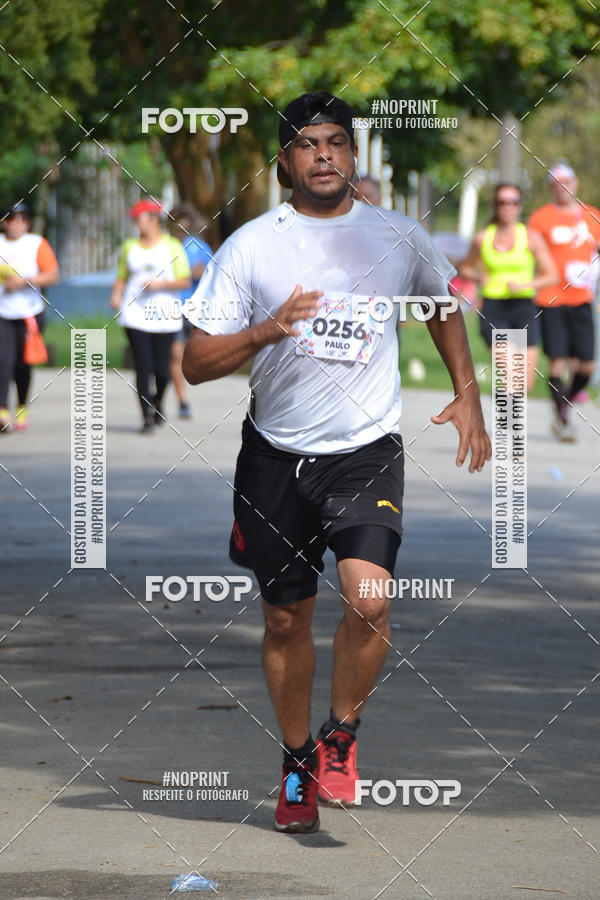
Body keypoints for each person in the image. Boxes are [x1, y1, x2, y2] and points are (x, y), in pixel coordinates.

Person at [182, 91, 491, 834]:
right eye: (307, 145)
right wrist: (266, 330)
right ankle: (295, 768)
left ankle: (340, 736)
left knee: (370, 599)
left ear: (353, 155)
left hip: (365, 451)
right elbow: (194, 363)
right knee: (286, 621)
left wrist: (469, 389)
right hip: (275, 457)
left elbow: (440, 302)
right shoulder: (253, 245)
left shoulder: (395, 234)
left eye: (336, 143)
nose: (324, 155)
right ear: (285, 161)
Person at [459, 183, 558, 391]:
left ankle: (506, 416)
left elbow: (552, 275)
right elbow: (464, 269)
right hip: (493, 309)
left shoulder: (531, 238)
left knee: (525, 384)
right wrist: (478, 277)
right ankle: (506, 422)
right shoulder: (482, 238)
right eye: (502, 202)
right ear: (495, 206)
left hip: (524, 308)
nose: (508, 207)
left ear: (520, 206)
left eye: (513, 202)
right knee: (511, 373)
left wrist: (525, 284)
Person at [528, 163, 600, 441]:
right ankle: (562, 417)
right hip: (551, 299)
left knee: (587, 366)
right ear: (551, 188)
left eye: (567, 181)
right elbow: (530, 252)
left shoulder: (592, 216)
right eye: (557, 183)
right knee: (557, 363)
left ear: (576, 183)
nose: (563, 187)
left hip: (582, 300)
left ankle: (565, 402)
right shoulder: (540, 219)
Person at [110, 199, 191, 432]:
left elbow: (184, 280)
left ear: (154, 220)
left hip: (164, 315)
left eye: (140, 218)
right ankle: (146, 416)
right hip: (135, 315)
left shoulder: (172, 247)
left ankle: (157, 401)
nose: (137, 223)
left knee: (163, 371)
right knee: (143, 367)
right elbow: (122, 276)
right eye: (135, 219)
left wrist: (160, 284)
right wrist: (116, 294)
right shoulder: (129, 247)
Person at [0, 202, 59, 433]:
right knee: (2, 361)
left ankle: (22, 405)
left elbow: (52, 276)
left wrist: (24, 280)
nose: (17, 223)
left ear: (28, 222)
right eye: (12, 219)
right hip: (2, 312)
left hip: (29, 313)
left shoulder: (36, 243)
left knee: (22, 365)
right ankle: (2, 410)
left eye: (22, 219)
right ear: (5, 222)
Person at [168, 204, 213, 418]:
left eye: (185, 221)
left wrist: (203, 272)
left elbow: (216, 273)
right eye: (178, 221)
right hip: (170, 309)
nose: (182, 225)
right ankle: (182, 400)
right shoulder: (164, 247)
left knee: (191, 355)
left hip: (195, 309)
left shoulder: (199, 246)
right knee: (175, 354)